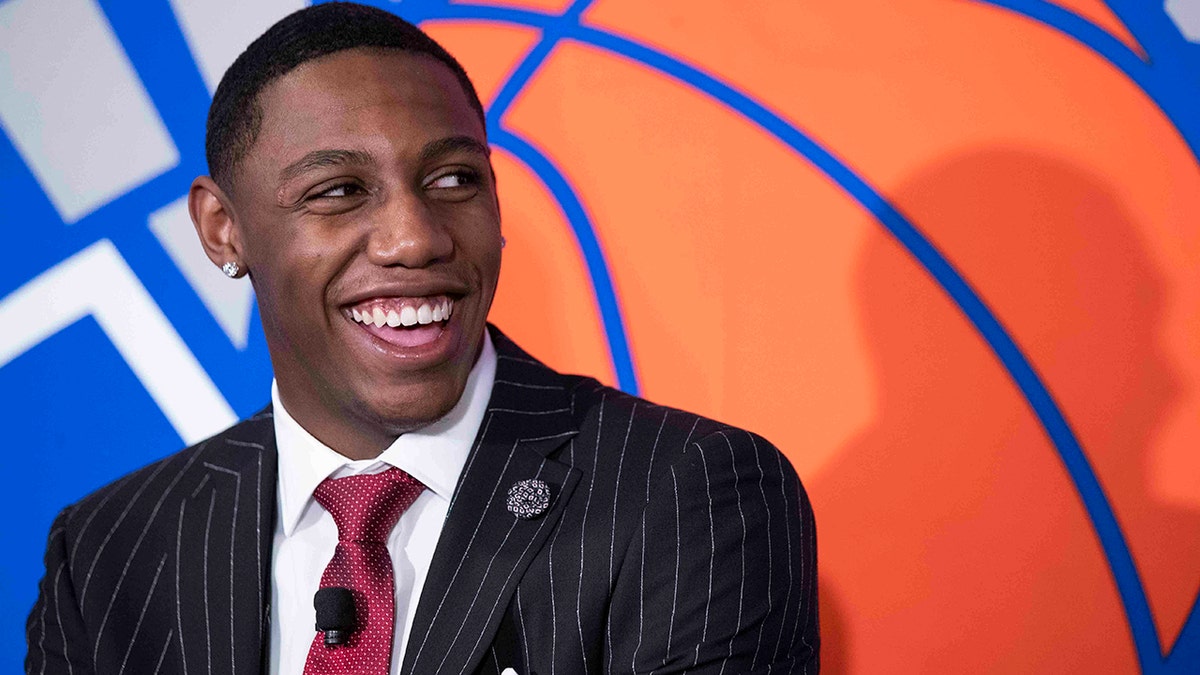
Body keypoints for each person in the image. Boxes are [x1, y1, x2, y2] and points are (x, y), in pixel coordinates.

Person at [25, 3, 818, 673]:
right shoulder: (107, 550)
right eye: (338, 191)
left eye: (453, 180)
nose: (415, 238)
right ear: (223, 229)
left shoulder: (687, 493)